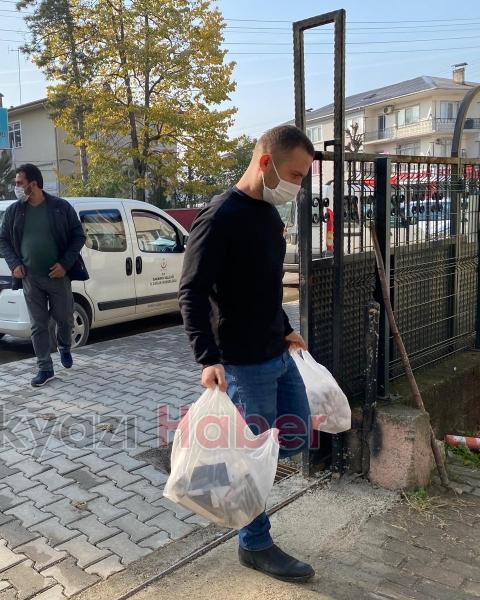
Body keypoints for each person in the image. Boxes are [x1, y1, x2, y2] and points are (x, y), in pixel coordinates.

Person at [178, 125, 315, 582]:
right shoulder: (219, 217)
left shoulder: (269, 218)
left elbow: (266, 287)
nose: (298, 184)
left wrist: (288, 329)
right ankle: (254, 544)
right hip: (240, 363)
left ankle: (222, 472)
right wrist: (207, 358)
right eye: (294, 173)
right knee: (253, 459)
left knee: (294, 437)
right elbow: (192, 291)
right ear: (265, 162)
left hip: (276, 353)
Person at [0, 164, 88, 387]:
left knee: (64, 319)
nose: (16, 187)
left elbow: (79, 236)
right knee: (38, 325)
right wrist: (14, 264)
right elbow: (3, 240)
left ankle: (64, 347)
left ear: (34, 184)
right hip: (31, 278)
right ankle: (45, 368)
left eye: (19, 183)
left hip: (57, 276)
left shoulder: (60, 207)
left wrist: (65, 265)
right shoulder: (14, 211)